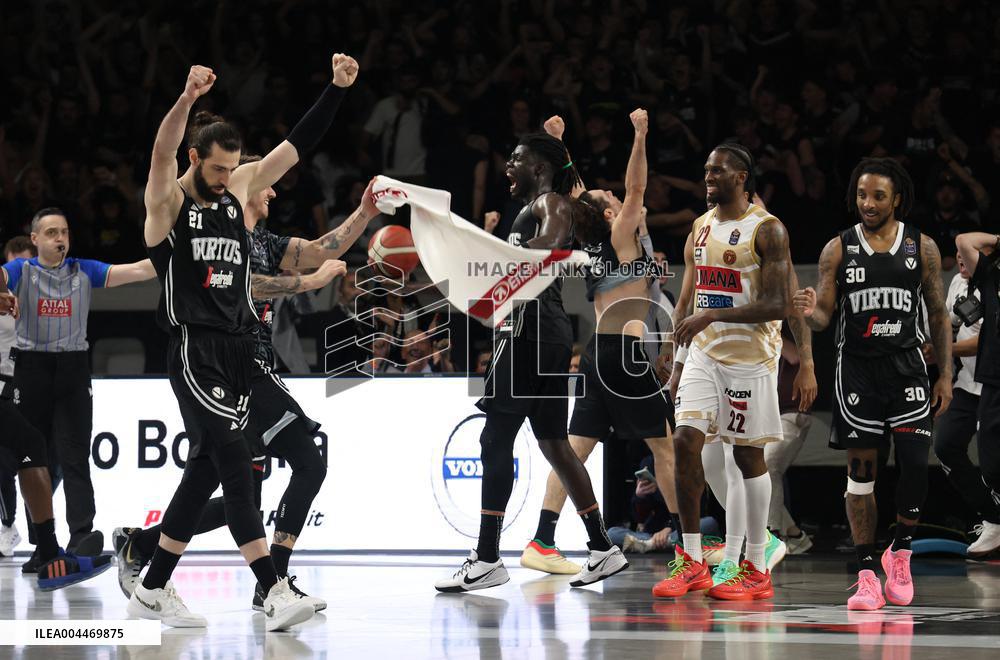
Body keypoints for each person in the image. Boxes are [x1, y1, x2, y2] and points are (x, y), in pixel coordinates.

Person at [129, 55, 357, 632]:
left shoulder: (237, 190)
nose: (229, 177)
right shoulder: (169, 206)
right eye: (218, 167)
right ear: (194, 158)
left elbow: (293, 147)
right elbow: (159, 155)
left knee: (206, 469)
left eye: (235, 168)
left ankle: (151, 585)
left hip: (238, 350)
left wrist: (334, 88)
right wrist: (185, 99)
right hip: (193, 348)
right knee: (235, 457)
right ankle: (272, 589)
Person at [434, 131, 627, 592]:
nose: (508, 165)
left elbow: (554, 243)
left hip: (531, 332)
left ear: (539, 168)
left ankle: (486, 558)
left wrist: (494, 256)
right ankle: (602, 547)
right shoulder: (533, 205)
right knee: (555, 443)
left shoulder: (550, 204)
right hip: (542, 333)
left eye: (517, 158)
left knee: (495, 436)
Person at [517, 111, 677, 578]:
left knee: (574, 451)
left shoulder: (595, 232)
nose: (614, 193)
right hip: (624, 356)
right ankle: (691, 545)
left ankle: (543, 540)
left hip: (595, 357)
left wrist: (558, 144)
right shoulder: (621, 233)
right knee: (665, 450)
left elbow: (576, 191)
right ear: (611, 213)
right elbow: (636, 188)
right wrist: (641, 134)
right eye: (611, 197)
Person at [794, 157, 952, 611]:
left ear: (896, 199)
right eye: (862, 195)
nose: (868, 203)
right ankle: (866, 574)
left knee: (916, 466)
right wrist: (810, 311)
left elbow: (939, 314)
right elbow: (824, 313)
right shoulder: (837, 249)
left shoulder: (921, 246)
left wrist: (945, 372)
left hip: (906, 369)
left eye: (878, 196)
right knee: (861, 477)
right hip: (858, 372)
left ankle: (899, 552)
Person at [652, 143, 793, 601]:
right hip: (704, 355)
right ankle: (690, 559)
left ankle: (756, 564)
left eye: (718, 171)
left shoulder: (768, 230)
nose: (709, 176)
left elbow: (777, 304)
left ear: (742, 177)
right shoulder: (700, 225)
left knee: (747, 458)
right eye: (706, 170)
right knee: (684, 441)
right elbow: (688, 299)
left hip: (751, 360)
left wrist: (713, 317)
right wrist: (676, 364)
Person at [0, 209, 155, 572]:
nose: (60, 238)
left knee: (74, 455)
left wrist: (170, 254)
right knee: (32, 460)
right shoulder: (22, 271)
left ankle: (82, 533)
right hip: (31, 368)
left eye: (65, 232)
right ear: (34, 239)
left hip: (72, 370)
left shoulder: (84, 270)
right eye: (51, 232)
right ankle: (43, 544)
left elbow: (135, 271)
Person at [0, 290, 113, 590]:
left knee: (32, 447)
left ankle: (49, 555)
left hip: (19, 382)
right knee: (31, 446)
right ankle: (48, 553)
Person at [954, 231, 1000, 557]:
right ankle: (995, 521)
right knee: (991, 464)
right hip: (993, 379)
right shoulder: (991, 274)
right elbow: (963, 241)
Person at [0, 236, 35, 558]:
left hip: (26, 384)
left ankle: (15, 526)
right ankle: (9, 526)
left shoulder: (31, 298)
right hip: (5, 385)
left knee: (33, 455)